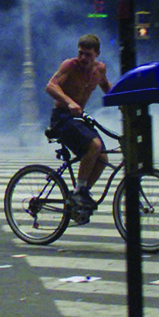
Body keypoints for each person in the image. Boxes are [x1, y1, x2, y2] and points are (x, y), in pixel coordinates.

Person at [46, 33, 113, 223]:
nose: (83, 58)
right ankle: (80, 191)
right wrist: (69, 102)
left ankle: (80, 195)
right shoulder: (69, 66)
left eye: (88, 54)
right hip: (62, 117)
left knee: (102, 158)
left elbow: (106, 87)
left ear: (96, 54)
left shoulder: (100, 70)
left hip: (78, 118)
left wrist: (122, 102)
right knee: (94, 145)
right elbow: (51, 86)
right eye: (81, 53)